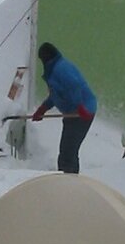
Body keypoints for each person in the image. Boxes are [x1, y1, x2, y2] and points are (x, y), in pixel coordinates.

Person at [31, 42, 97, 174]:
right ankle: (71, 181)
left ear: (45, 58)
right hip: (73, 114)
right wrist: (43, 109)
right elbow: (57, 94)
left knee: (67, 153)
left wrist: (80, 108)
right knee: (68, 151)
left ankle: (67, 184)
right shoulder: (55, 69)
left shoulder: (61, 68)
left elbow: (75, 86)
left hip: (82, 114)